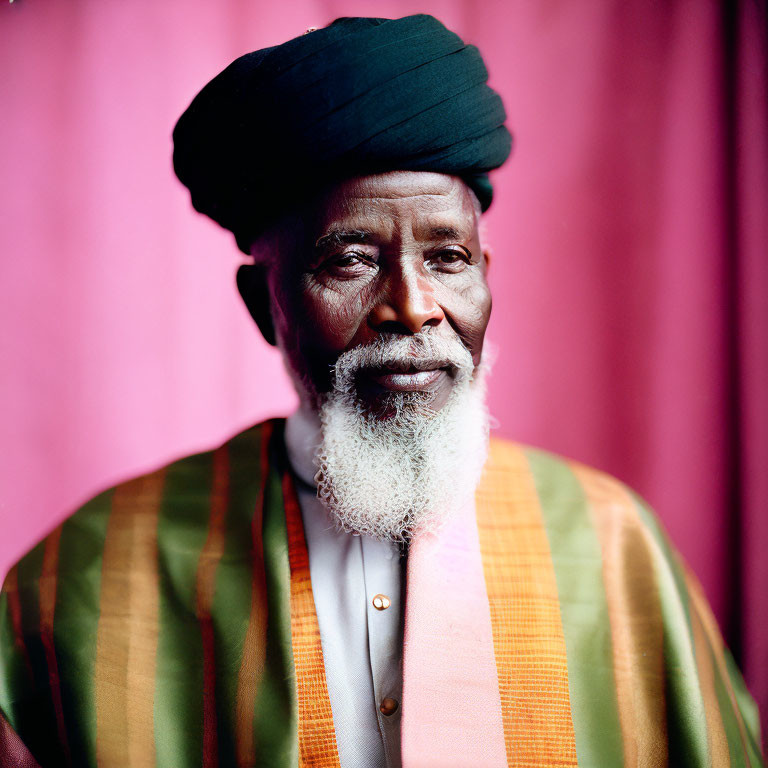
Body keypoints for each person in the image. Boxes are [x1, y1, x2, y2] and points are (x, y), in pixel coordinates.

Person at [0, 14, 762, 768]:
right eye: (352, 261)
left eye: (449, 257)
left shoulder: (611, 545)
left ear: (487, 275)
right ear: (263, 304)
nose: (415, 306)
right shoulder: (97, 572)